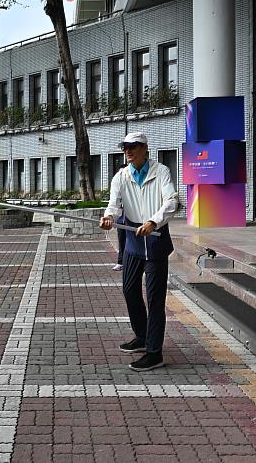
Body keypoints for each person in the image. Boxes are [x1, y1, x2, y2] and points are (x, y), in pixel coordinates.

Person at [100, 132, 180, 372]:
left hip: (155, 238)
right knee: (129, 290)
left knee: (155, 299)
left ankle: (154, 352)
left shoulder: (161, 171)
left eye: (132, 146)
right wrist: (108, 217)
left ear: (145, 148)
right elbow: (114, 203)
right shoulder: (121, 177)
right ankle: (143, 335)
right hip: (134, 241)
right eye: (125, 147)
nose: (128, 151)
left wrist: (154, 222)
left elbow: (172, 201)